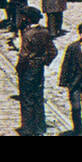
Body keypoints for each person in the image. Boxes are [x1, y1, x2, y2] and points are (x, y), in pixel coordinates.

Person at [16, 7, 57, 136]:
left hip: (28, 69)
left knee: (27, 99)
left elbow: (24, 55)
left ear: (28, 19)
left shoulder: (28, 34)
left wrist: (19, 68)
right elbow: (53, 51)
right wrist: (43, 61)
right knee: (38, 97)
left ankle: (28, 129)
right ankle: (40, 126)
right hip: (39, 69)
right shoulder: (45, 32)